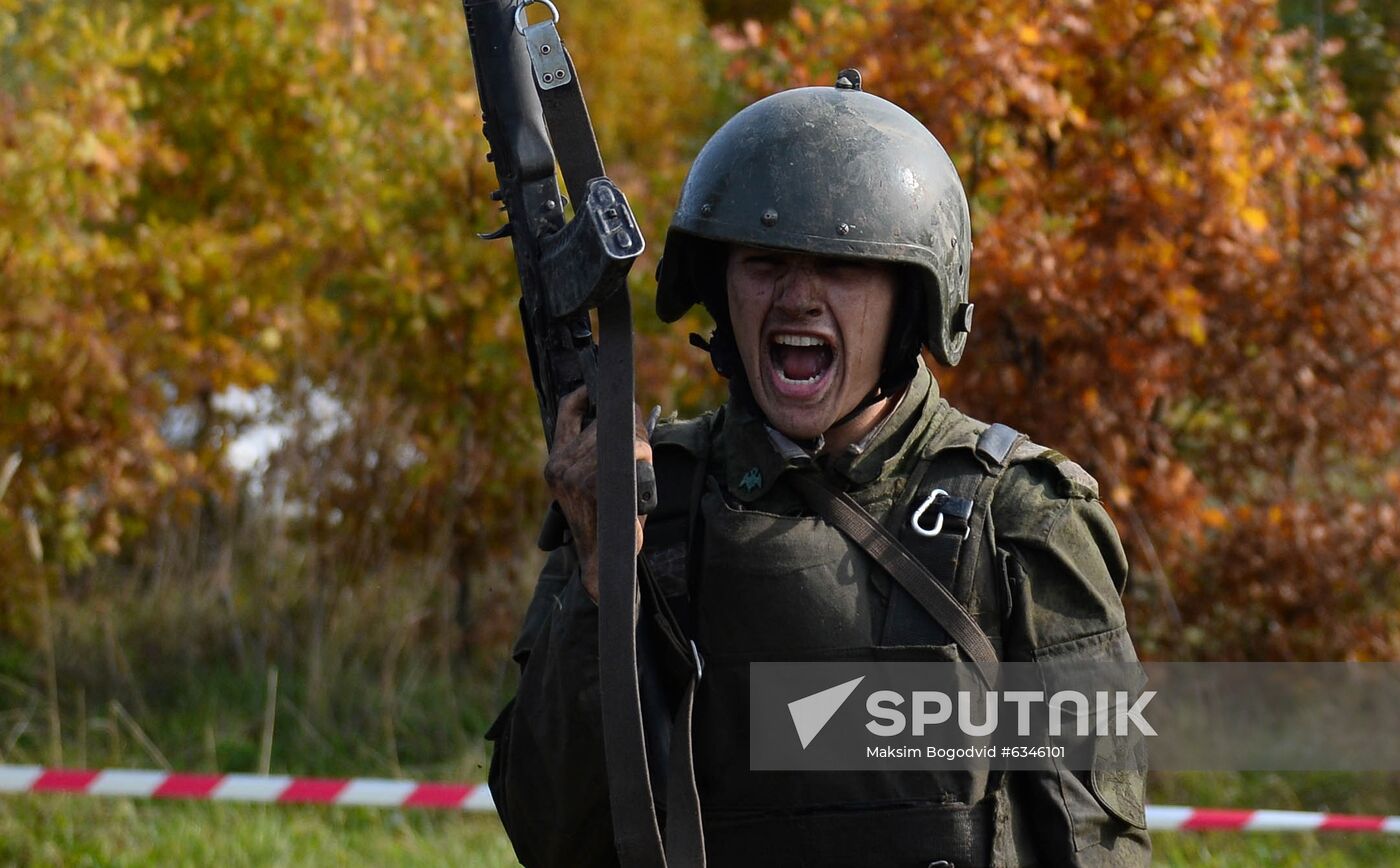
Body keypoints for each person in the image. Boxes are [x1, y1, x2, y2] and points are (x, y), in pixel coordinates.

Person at [486, 70, 1151, 867]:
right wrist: (603, 584)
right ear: (721, 288)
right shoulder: (638, 504)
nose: (798, 297)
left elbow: (1093, 841)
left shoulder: (1021, 521)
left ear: (910, 301)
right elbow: (552, 836)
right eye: (765, 261)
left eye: (841, 266)